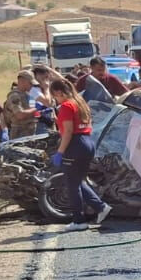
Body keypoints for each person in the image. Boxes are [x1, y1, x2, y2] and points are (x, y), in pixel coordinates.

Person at [48, 76, 111, 227]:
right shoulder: (81, 103)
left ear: (59, 92)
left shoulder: (67, 106)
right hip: (87, 143)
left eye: (54, 96)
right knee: (77, 180)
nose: (55, 100)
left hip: (75, 144)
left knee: (72, 184)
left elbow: (68, 131)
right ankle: (100, 207)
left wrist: (60, 152)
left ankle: (78, 220)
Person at [4, 70, 43, 139]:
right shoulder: (14, 96)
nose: (32, 86)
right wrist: (35, 109)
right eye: (30, 83)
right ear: (22, 81)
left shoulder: (27, 94)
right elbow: (20, 114)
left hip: (30, 132)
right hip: (20, 133)